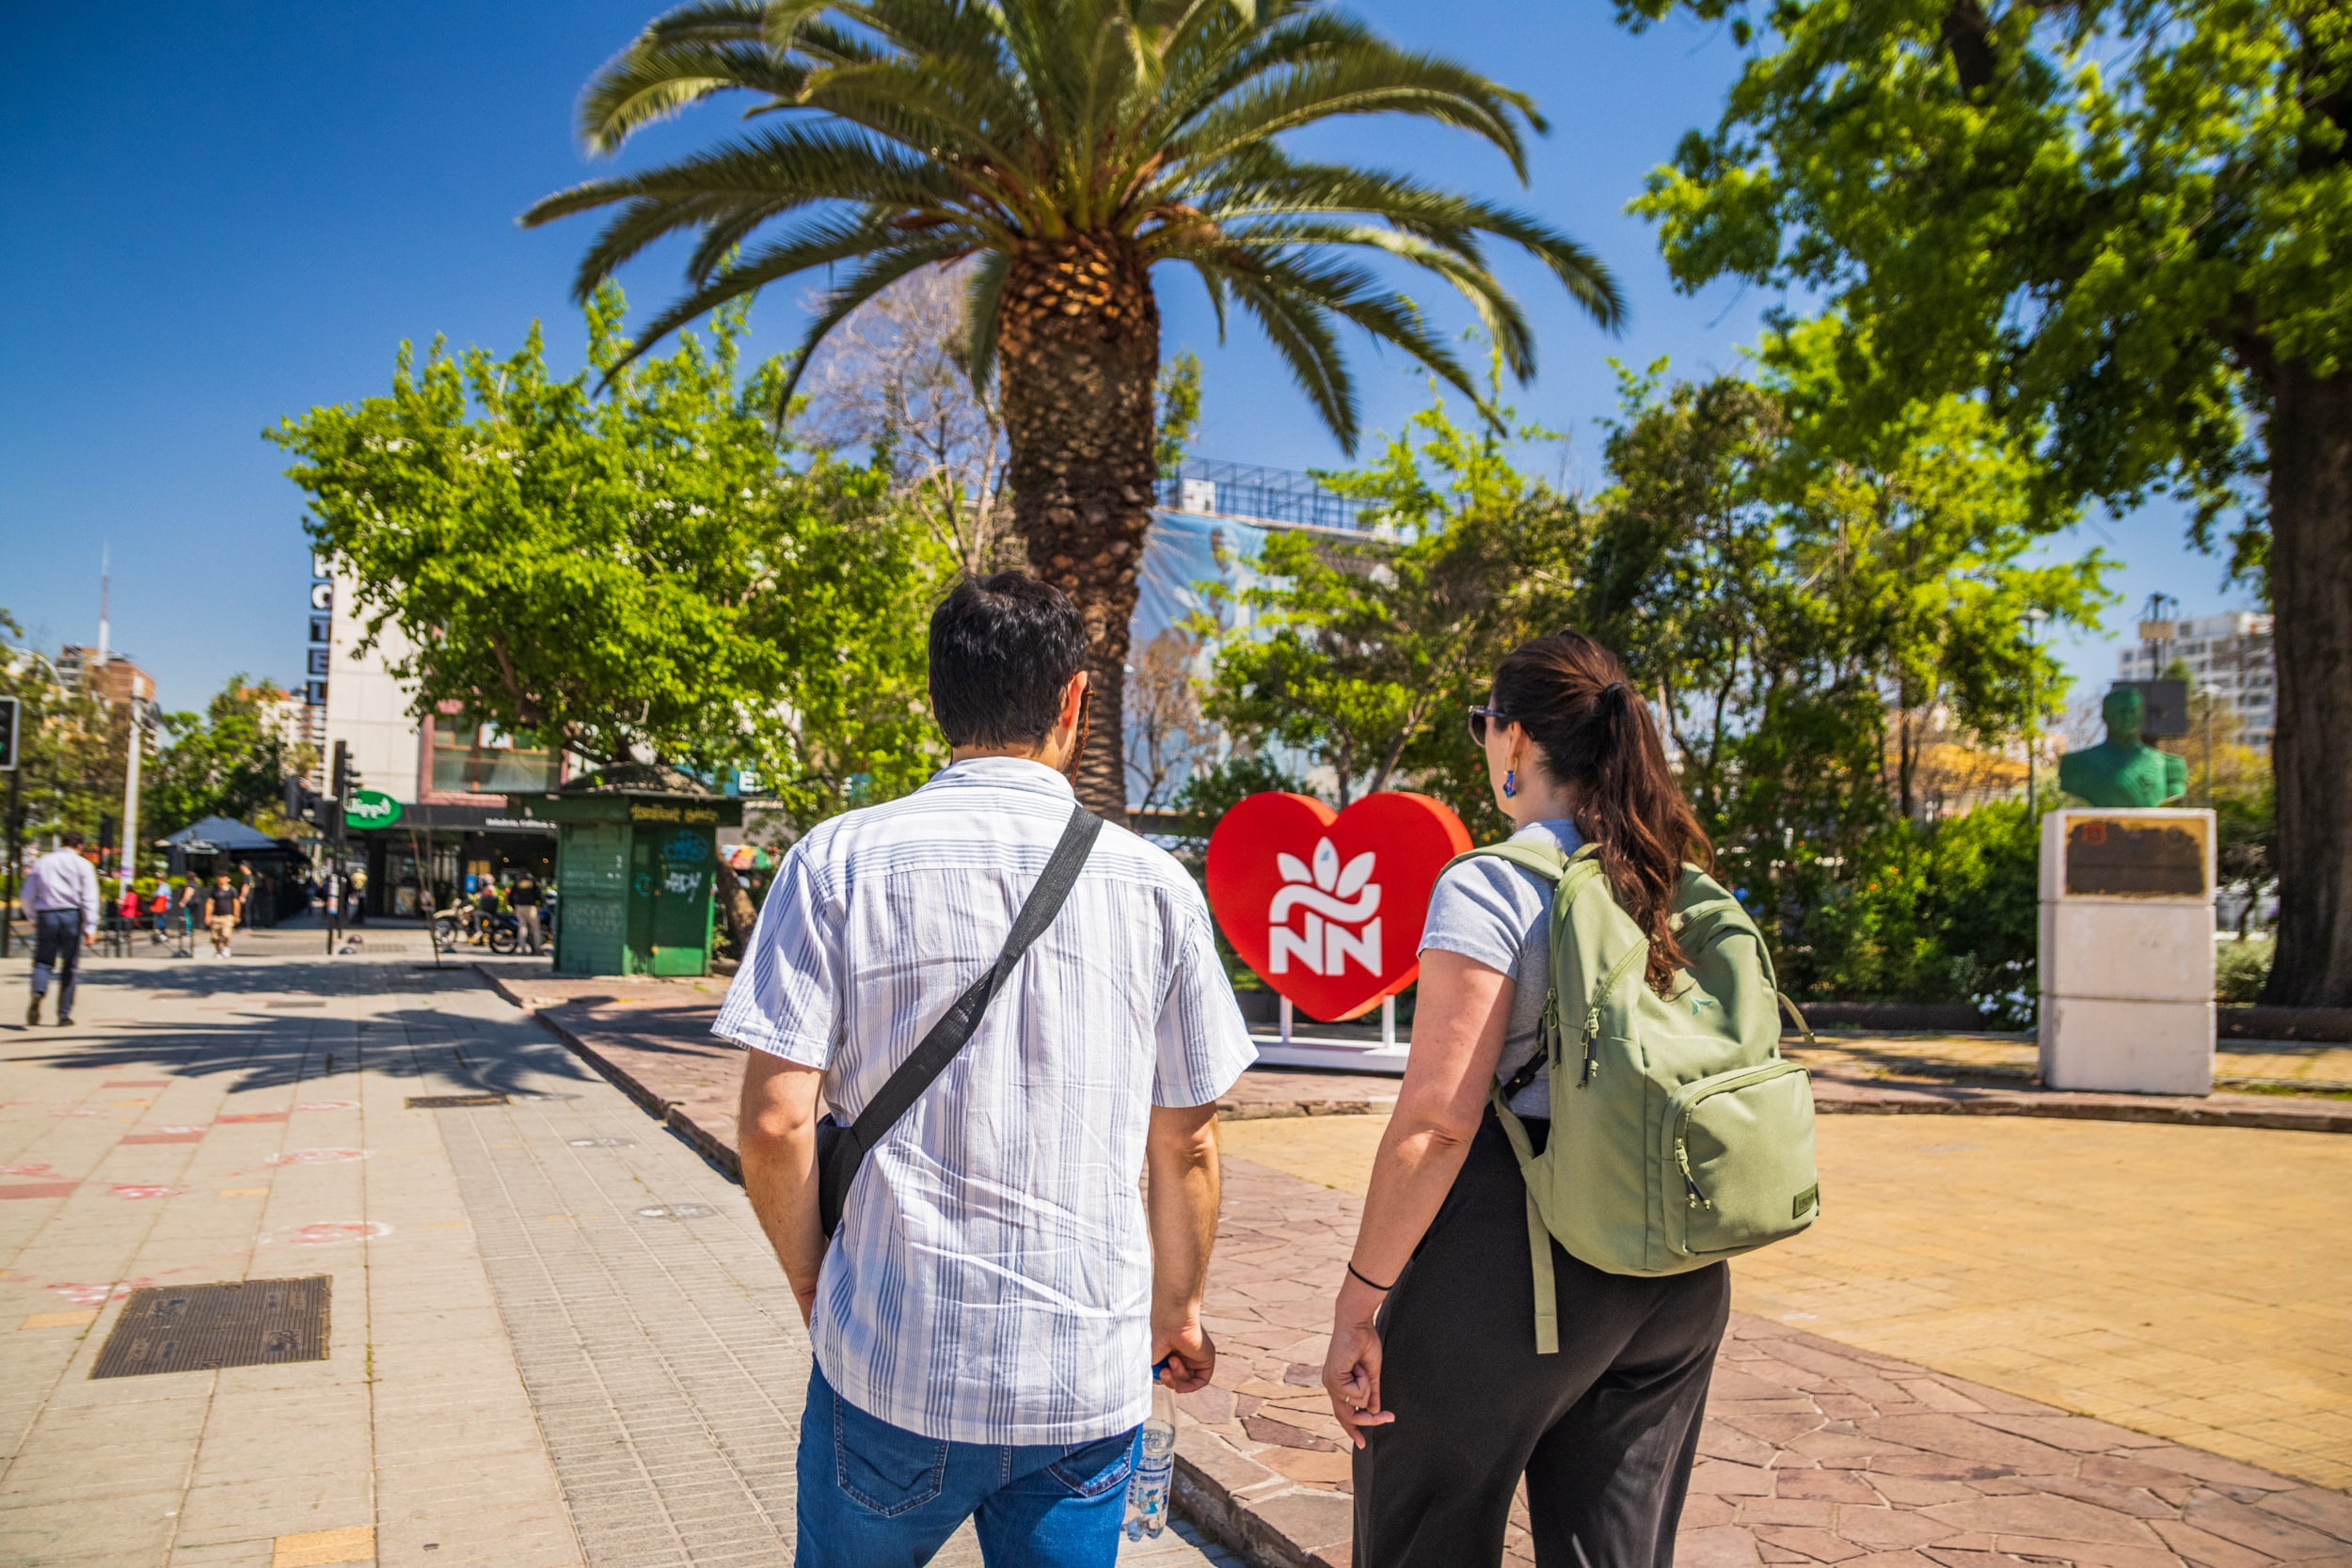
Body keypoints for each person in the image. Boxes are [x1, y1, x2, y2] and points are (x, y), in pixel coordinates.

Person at [715, 573, 1256, 1568]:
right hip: (1084, 1379)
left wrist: (810, 1274)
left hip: (889, 1360)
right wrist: (1175, 1312)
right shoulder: (1156, 888)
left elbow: (774, 1123)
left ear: (939, 699)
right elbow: (1186, 1139)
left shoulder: (836, 861)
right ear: (1073, 702)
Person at [1323, 630, 1730, 1568]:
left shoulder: (1494, 882)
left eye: (1483, 724)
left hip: (1525, 1266)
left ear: (1512, 738)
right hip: (1679, 1267)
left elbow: (1436, 1123)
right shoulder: (1671, 879)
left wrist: (1360, 1303)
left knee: (1421, 1528)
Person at [24, 832, 101, 1027]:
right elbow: (89, 897)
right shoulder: (83, 865)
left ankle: (38, 992)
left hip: (47, 914)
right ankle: (63, 1014)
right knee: (70, 966)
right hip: (71, 915)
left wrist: (32, 917)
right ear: (80, 846)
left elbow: (27, 894)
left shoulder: (43, 862)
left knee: (42, 960)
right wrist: (91, 927)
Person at [203, 874, 244, 958]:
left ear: (228, 879)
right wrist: (207, 915)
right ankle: (218, 951)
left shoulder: (232, 890)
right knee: (215, 937)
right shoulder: (214, 890)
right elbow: (210, 903)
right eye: (219, 877)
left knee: (226, 934)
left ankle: (226, 947)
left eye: (223, 877)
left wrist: (237, 915)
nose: (221, 879)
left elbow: (236, 903)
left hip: (228, 916)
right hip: (216, 916)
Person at [507, 871, 545, 955]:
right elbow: (539, 895)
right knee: (536, 928)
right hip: (530, 907)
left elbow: (511, 895)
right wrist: (540, 905)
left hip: (519, 906)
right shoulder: (533, 882)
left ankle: (521, 947)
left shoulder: (518, 882)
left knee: (522, 927)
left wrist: (513, 906)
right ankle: (537, 948)